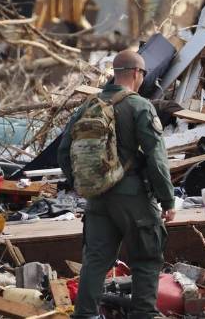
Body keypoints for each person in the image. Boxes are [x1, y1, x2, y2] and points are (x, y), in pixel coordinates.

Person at [58, 50, 175, 319]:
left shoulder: (89, 106)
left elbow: (64, 151)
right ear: (137, 73)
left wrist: (82, 183)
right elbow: (157, 158)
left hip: (97, 198)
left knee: (96, 260)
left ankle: (85, 315)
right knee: (146, 257)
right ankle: (143, 314)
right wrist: (167, 200)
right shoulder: (139, 106)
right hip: (133, 198)